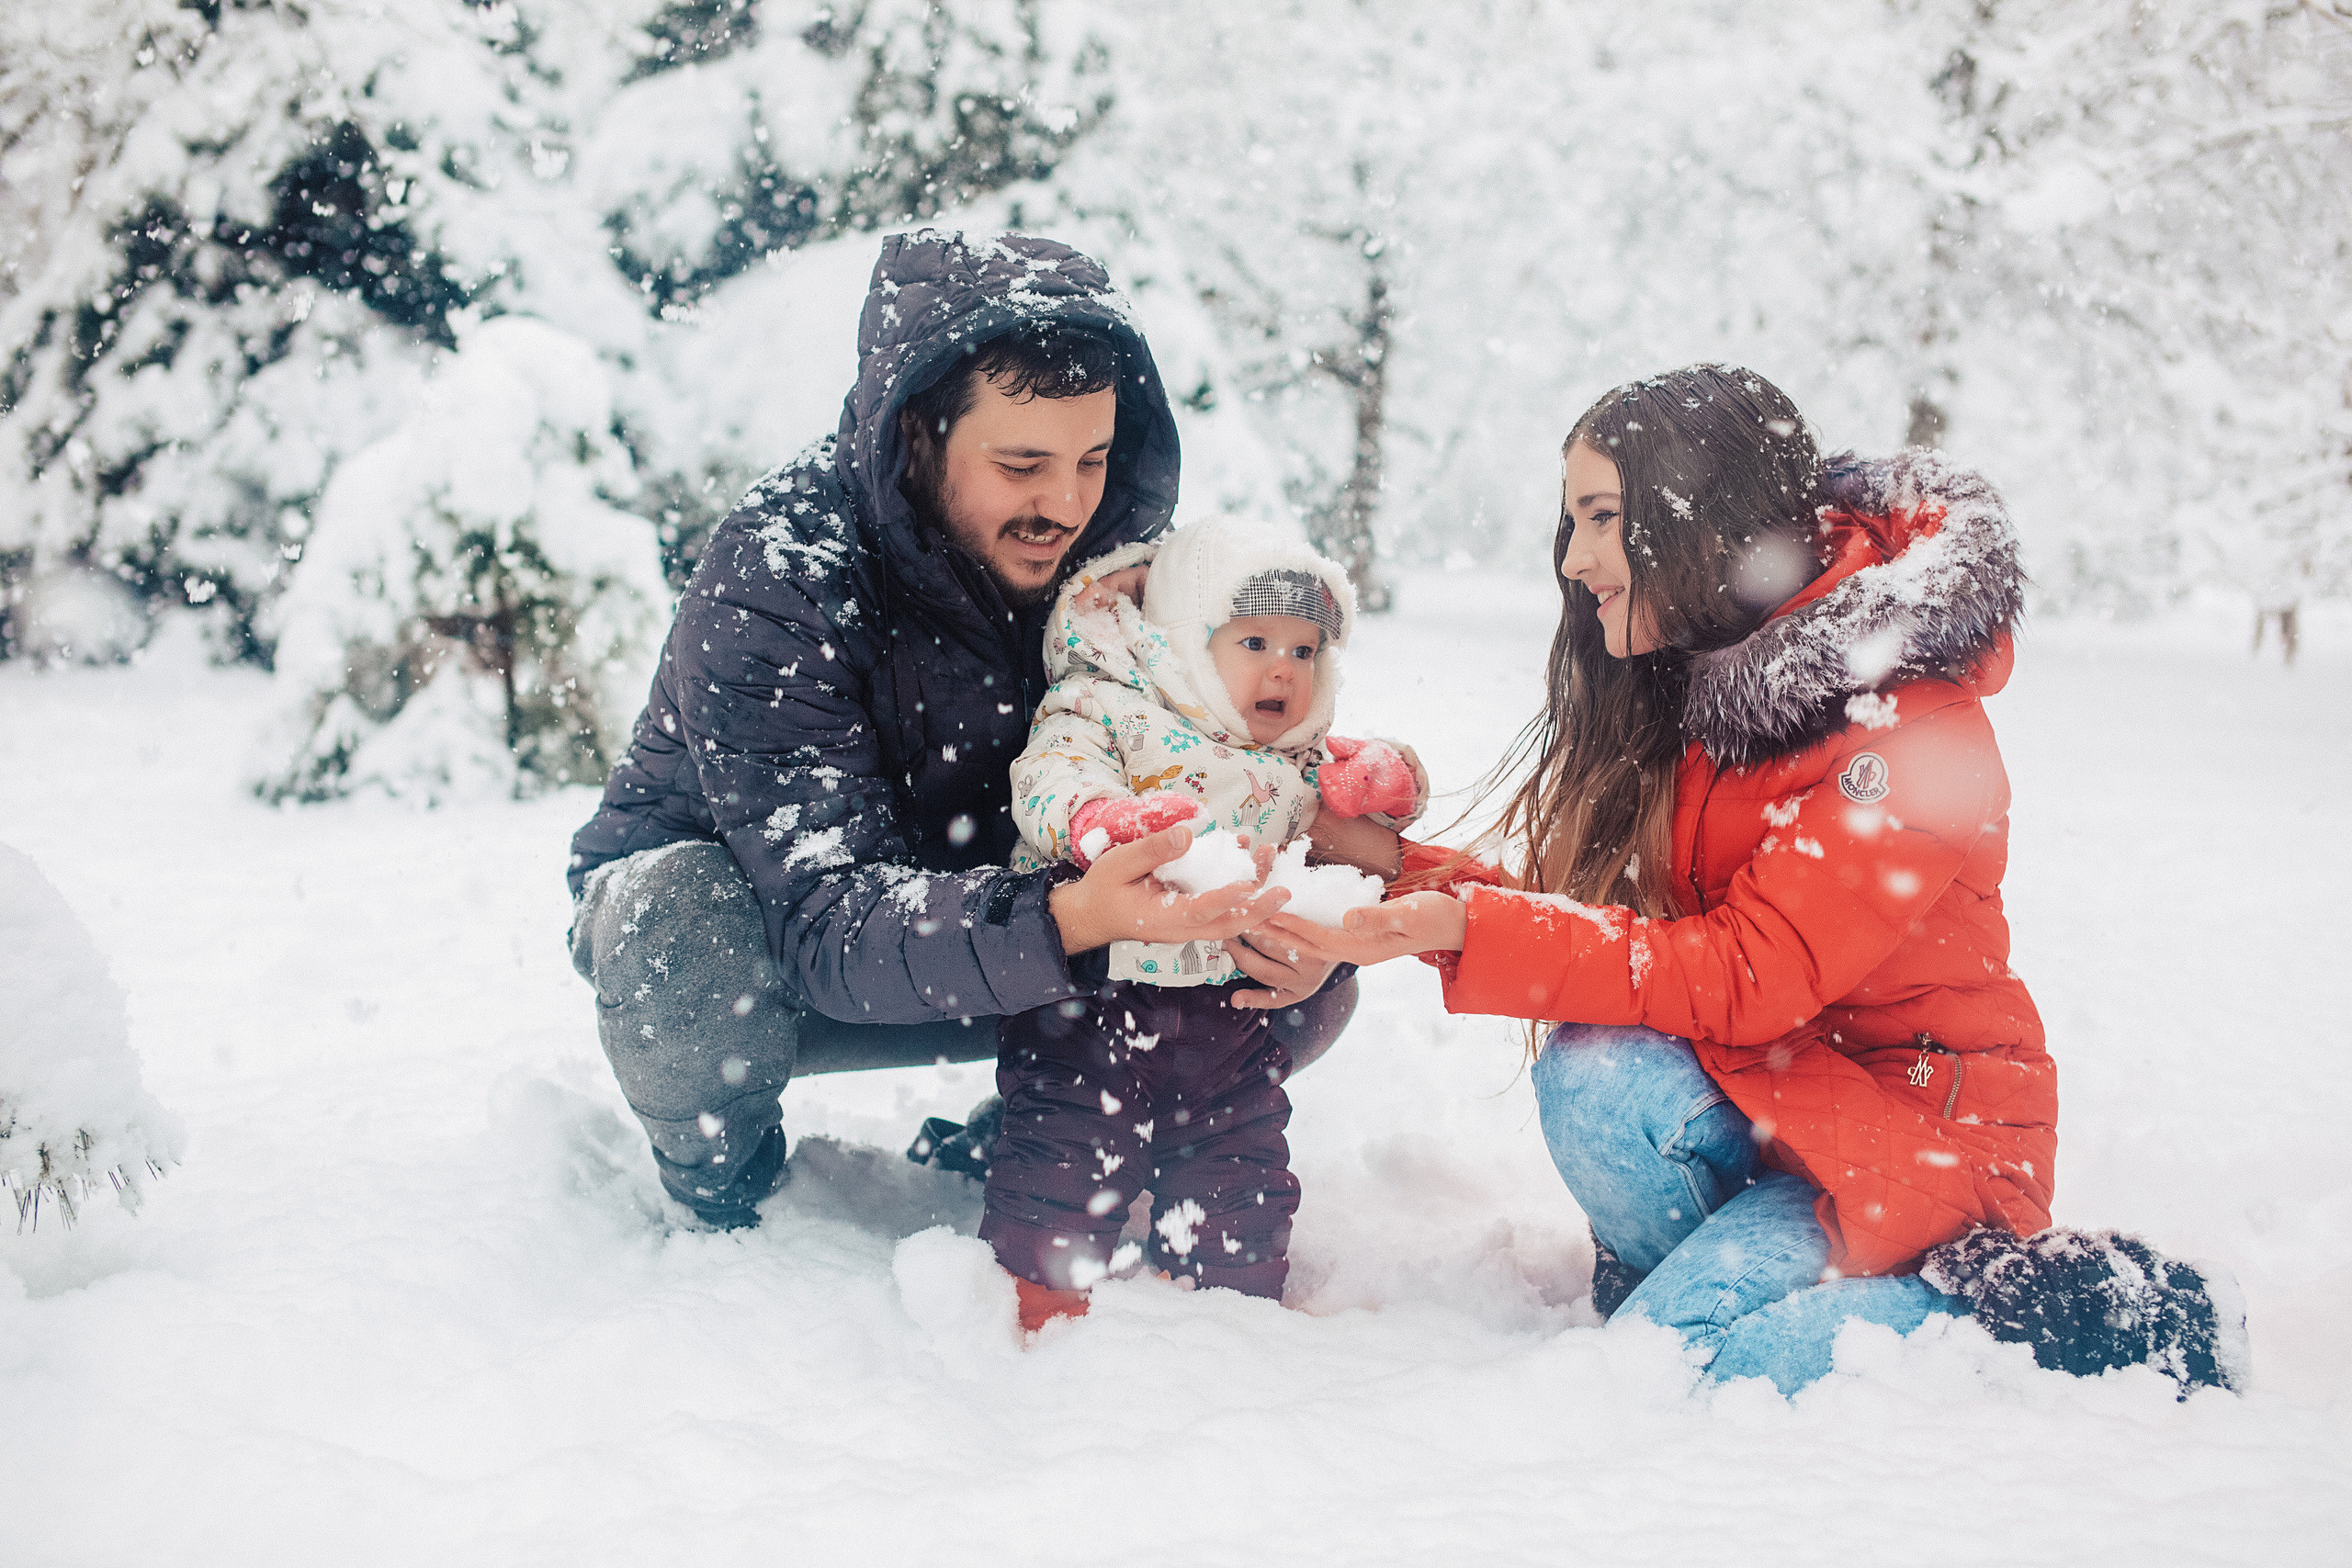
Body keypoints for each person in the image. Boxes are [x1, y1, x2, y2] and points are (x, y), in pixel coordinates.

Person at [1261, 365, 2243, 1395]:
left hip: (1922, 1140)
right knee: (1595, 1072)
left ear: (1698, 518)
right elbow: (1599, 928)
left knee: (1694, 1363)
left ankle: (2094, 1318)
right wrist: (1383, 863)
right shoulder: (1699, 682)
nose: (1576, 557)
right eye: (1573, 520)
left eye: (1603, 518)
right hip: (1779, 1098)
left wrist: (1463, 930)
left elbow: (1749, 974)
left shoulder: (1908, 729)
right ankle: (1726, 1279)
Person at [564, 232, 1359, 1228]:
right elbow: (821, 917)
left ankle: (1043, 1121)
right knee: (673, 925)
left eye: (1093, 460)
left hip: (999, 914)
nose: (1066, 505)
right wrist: (1071, 920)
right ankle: (732, 1199)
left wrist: (1307, 899)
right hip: (770, 953)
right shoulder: (777, 577)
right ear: (917, 434)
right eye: (1022, 464)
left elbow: (1229, 764)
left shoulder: (1116, 579)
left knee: (1294, 966)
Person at [981, 517, 1423, 1330]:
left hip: (1227, 1013)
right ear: (1183, 641)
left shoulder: (1296, 754)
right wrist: (1101, 818)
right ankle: (1035, 1311)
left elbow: (1372, 835)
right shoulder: (1108, 702)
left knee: (1238, 1170)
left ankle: (1231, 1313)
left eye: (1305, 651)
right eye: (1254, 642)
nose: (1283, 669)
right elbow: (1049, 775)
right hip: (1091, 1002)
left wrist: (1391, 784)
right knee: (1066, 1156)